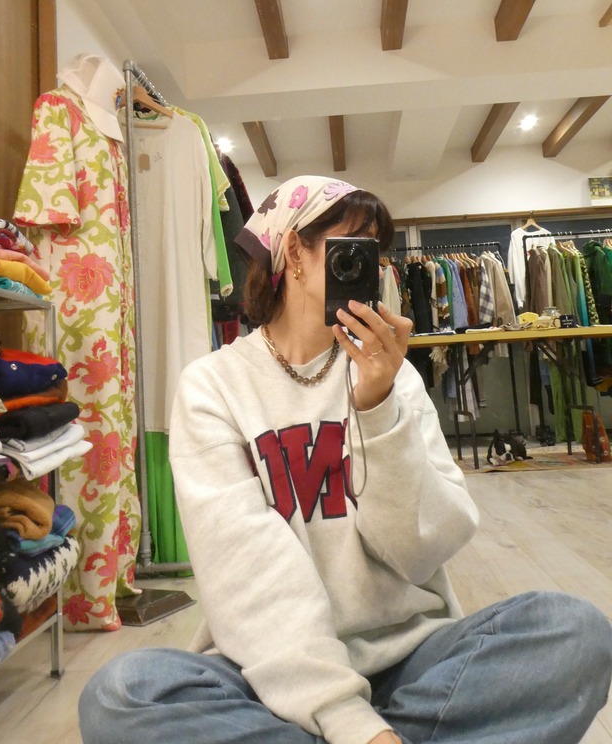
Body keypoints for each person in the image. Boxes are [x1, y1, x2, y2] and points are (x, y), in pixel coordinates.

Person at [79, 176, 612, 744]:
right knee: (123, 692)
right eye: (350, 246)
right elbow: (249, 573)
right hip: (271, 670)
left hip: (411, 656)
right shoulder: (213, 386)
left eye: (373, 252)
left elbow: (424, 549)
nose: (367, 265)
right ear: (294, 252)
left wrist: (378, 410)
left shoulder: (393, 376)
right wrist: (349, 721)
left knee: (573, 631)